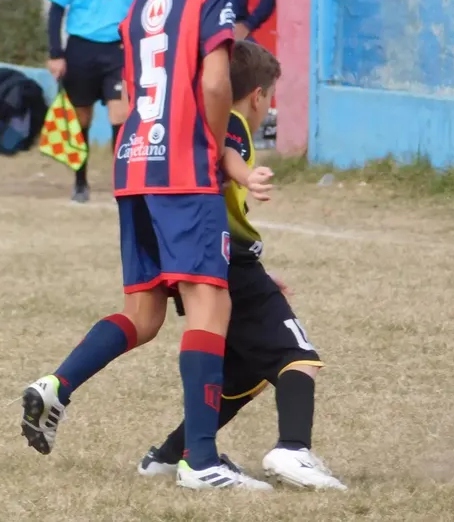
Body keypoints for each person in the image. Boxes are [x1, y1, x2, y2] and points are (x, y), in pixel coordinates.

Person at [20, 0, 271, 491]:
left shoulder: (141, 1)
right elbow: (215, 83)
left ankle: (56, 385)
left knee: (145, 312)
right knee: (212, 302)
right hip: (182, 167)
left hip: (134, 162)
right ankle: (202, 460)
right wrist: (215, 153)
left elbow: (136, 92)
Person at [135, 41, 346, 491]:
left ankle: (169, 456)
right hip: (229, 260)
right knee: (298, 357)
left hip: (221, 257)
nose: (267, 106)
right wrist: (247, 178)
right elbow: (221, 171)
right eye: (270, 97)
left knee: (242, 374)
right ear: (257, 97)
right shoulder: (232, 124)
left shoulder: (206, 121)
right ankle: (294, 449)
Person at [45, 0, 151, 203]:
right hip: (81, 50)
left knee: (121, 114)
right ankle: (80, 182)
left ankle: (122, 183)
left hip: (118, 54)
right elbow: (55, 10)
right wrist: (56, 53)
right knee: (82, 118)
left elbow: (149, 12)